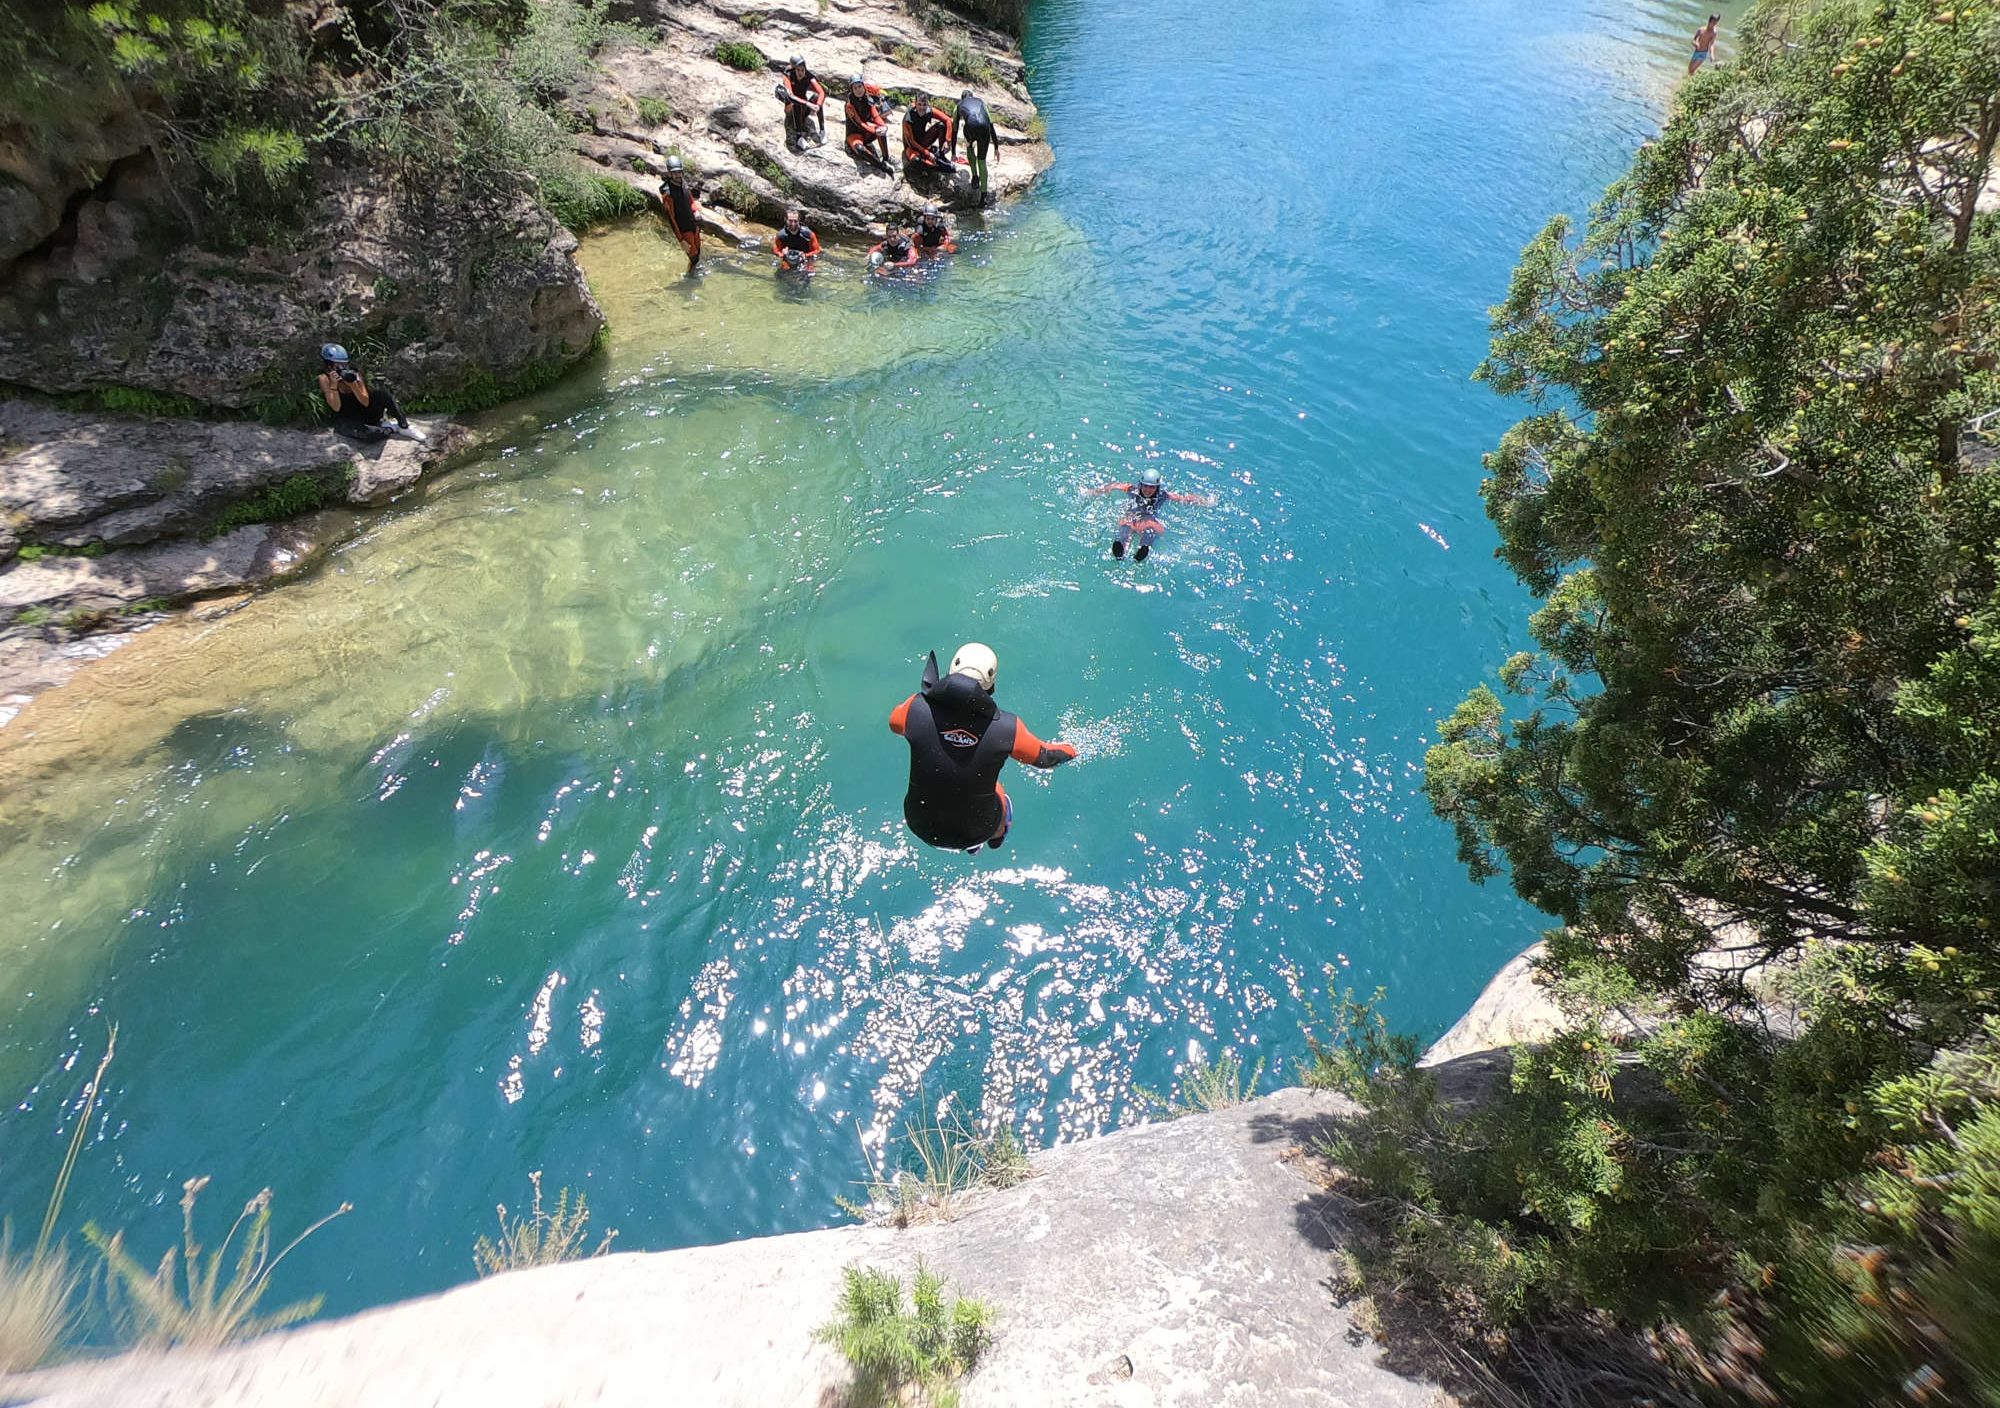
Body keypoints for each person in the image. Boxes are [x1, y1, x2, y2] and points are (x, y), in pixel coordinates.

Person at [889, 643, 1078, 852]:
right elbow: (1045, 758)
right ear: (991, 684)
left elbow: (895, 724)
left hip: (920, 824)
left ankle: (973, 843)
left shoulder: (913, 709)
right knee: (998, 790)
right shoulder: (1007, 728)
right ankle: (994, 836)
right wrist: (1074, 749)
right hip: (977, 830)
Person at [1087, 466, 1214, 561]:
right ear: (1141, 484)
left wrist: (1204, 501)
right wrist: (1097, 491)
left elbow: (1183, 498)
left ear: (1157, 487)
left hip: (1148, 519)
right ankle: (1119, 550)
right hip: (1132, 516)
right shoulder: (1132, 489)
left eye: (1152, 487)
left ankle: (1143, 550)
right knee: (1125, 527)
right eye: (1145, 486)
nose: (1148, 489)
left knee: (1150, 530)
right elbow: (1115, 486)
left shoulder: (1162, 495)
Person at [317, 344, 424, 442]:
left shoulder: (354, 374)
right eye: (338, 365)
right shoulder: (324, 379)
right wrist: (334, 386)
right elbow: (336, 407)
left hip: (364, 411)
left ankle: (404, 426)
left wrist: (354, 385)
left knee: (382, 393)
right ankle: (390, 428)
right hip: (347, 419)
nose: (342, 368)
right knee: (371, 435)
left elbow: (365, 402)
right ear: (329, 365)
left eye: (344, 364)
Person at [952, 90, 997, 204]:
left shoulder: (958, 106)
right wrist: (996, 147)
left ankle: (975, 176)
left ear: (962, 99)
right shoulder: (981, 103)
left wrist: (953, 152)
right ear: (972, 97)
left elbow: (954, 131)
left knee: (970, 146)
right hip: (984, 128)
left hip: (970, 128)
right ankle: (983, 197)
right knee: (981, 160)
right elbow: (991, 126)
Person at [844, 74, 893, 175]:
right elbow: (860, 123)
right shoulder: (849, 104)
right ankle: (881, 165)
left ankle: (886, 158)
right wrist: (875, 131)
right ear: (852, 89)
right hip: (854, 134)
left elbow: (875, 116)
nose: (858, 90)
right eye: (855, 88)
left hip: (865, 133)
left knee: (881, 131)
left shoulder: (868, 99)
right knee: (860, 149)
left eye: (860, 86)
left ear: (863, 86)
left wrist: (883, 126)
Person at [658, 156, 701, 272]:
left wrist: (695, 210)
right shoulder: (668, 194)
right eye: (675, 173)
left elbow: (690, 199)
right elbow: (671, 219)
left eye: (679, 172)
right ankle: (689, 278)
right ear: (670, 173)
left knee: (698, 254)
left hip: (693, 224)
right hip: (684, 230)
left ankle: (693, 272)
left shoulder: (683, 182)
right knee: (693, 257)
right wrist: (681, 239)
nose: (678, 175)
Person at [902, 91, 956, 177]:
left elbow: (948, 120)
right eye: (919, 104)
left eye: (924, 105)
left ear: (927, 104)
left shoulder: (928, 111)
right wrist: (927, 153)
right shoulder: (909, 117)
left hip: (923, 141)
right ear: (915, 104)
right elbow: (911, 141)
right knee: (916, 161)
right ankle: (937, 165)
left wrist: (947, 141)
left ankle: (941, 156)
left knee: (941, 126)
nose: (922, 107)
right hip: (911, 147)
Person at [776, 56, 826, 149]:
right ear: (794, 69)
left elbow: (821, 92)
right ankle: (799, 137)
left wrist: (818, 105)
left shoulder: (809, 76)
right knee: (795, 102)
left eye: (802, 70)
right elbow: (791, 96)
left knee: (815, 97)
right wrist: (808, 104)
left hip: (803, 109)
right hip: (792, 109)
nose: (800, 73)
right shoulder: (788, 76)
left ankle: (822, 131)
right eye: (798, 70)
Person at [772, 206, 821, 273]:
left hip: (805, 259)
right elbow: (776, 251)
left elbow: (817, 250)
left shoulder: (809, 234)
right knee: (781, 273)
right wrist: (782, 253)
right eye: (790, 221)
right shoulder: (781, 235)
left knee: (809, 272)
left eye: (795, 221)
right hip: (788, 259)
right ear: (785, 219)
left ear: (799, 220)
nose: (793, 224)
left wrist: (805, 255)